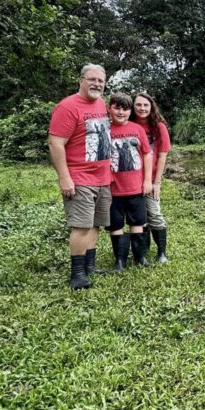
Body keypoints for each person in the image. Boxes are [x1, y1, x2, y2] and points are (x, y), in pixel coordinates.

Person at [48, 64, 111, 290]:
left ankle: (89, 266)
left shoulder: (101, 103)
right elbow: (56, 143)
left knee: (95, 225)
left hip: (103, 177)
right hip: (80, 177)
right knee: (82, 226)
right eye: (92, 79)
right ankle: (77, 274)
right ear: (81, 80)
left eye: (101, 81)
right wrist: (64, 178)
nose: (96, 84)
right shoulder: (67, 107)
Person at [107, 92, 152, 271]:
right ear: (109, 108)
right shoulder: (105, 130)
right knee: (115, 224)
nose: (120, 112)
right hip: (113, 189)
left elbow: (148, 154)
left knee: (137, 222)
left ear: (129, 111)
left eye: (125, 109)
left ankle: (139, 257)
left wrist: (147, 180)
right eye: (117, 108)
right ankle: (120, 260)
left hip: (136, 187)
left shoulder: (137, 129)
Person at [131, 91, 171, 263]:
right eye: (138, 105)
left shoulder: (159, 127)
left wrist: (157, 182)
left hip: (151, 177)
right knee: (138, 216)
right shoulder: (128, 123)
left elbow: (162, 155)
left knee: (154, 213)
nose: (142, 108)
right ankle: (142, 249)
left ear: (151, 107)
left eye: (146, 105)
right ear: (133, 107)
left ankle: (161, 252)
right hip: (131, 178)